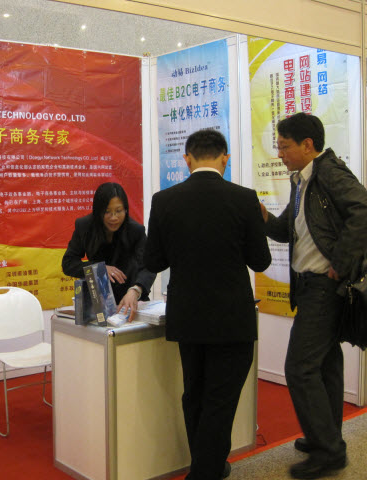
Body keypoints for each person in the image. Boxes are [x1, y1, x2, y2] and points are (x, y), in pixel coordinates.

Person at [144, 129, 271, 480]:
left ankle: (207, 466)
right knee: (220, 401)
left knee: (195, 395)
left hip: (187, 316)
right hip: (232, 318)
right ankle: (205, 472)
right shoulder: (244, 199)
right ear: (224, 158)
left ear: (187, 159)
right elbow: (260, 261)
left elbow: (153, 261)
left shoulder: (164, 200)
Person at [260, 113, 367, 479]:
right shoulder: (302, 180)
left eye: (284, 146)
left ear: (308, 145)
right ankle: (325, 437)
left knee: (300, 367)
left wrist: (341, 262)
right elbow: (286, 230)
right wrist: (261, 215)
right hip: (310, 286)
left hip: (324, 287)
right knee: (325, 364)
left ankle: (328, 451)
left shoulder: (328, 172)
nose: (280, 154)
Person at [62, 182, 156, 320]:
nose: (114, 217)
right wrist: (99, 268)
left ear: (126, 210)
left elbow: (149, 267)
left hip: (130, 301)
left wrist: (136, 290)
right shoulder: (85, 226)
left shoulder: (135, 230)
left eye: (118, 211)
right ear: (98, 211)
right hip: (99, 304)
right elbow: (68, 263)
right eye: (107, 212)